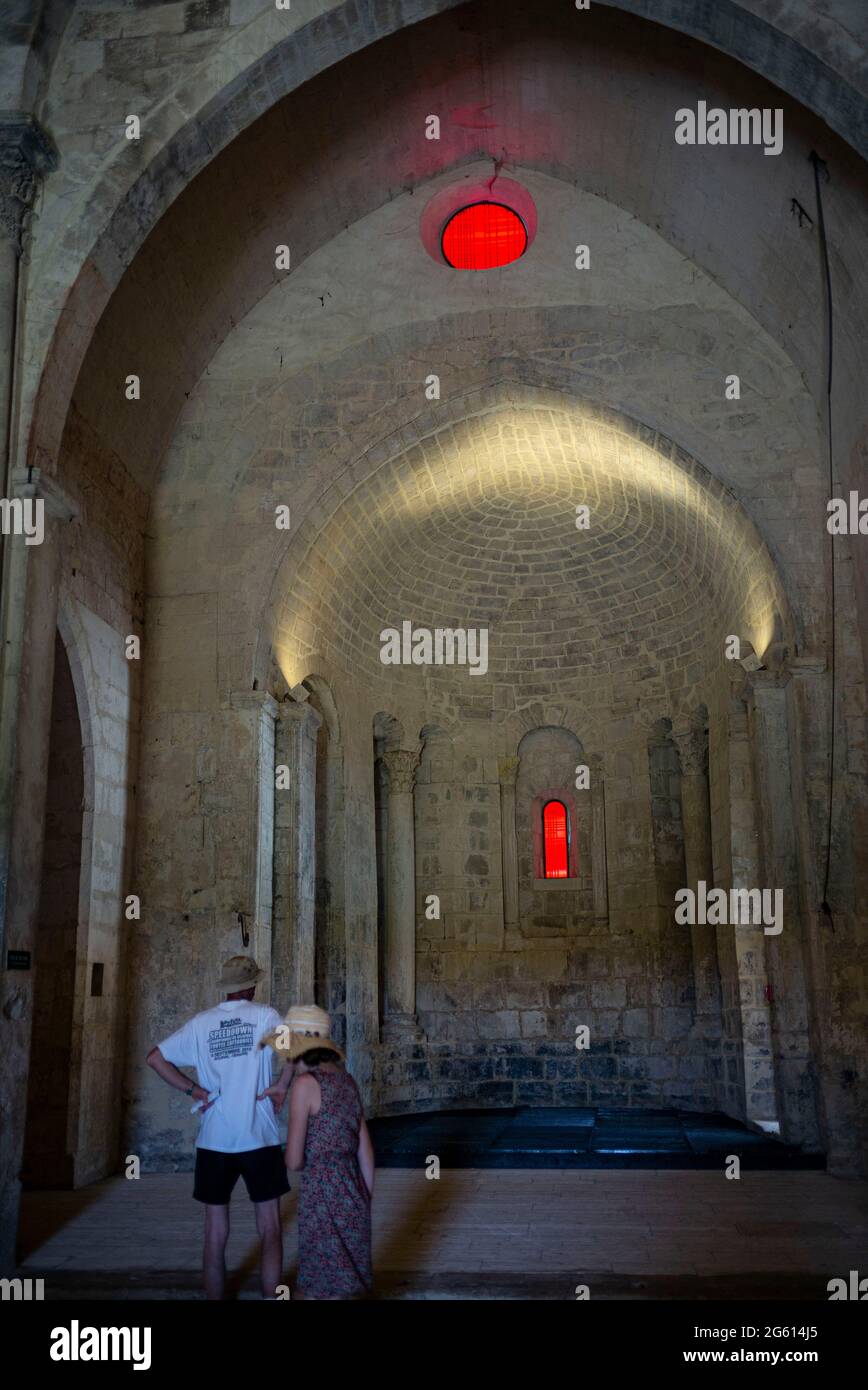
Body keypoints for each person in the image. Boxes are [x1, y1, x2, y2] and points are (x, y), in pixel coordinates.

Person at [146, 955, 294, 1300]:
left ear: (226, 988)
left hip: (214, 1139)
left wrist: (193, 1090)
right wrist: (282, 1086)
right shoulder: (264, 1016)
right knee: (270, 1228)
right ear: (252, 986)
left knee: (215, 1232)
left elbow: (155, 1057)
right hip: (259, 1135)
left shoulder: (201, 1024)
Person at [263, 1004, 374, 1299]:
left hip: (320, 1193)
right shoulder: (347, 1081)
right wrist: (364, 1197)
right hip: (353, 1190)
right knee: (348, 1281)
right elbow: (366, 1151)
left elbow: (294, 1160)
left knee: (316, 1284)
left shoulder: (305, 1084)